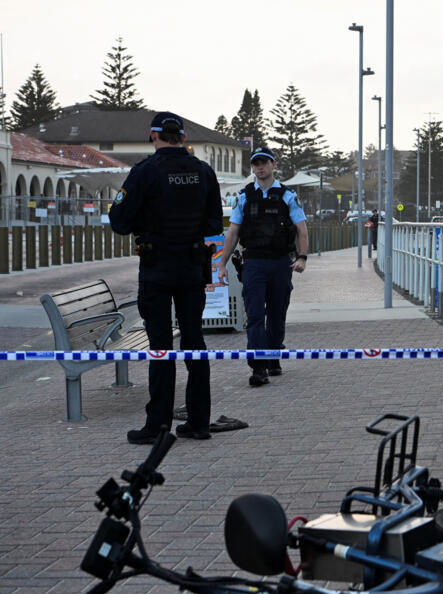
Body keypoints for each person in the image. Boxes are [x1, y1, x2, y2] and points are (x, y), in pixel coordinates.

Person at [109, 111, 223, 444]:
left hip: (157, 268)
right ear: (183, 138)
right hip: (192, 268)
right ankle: (199, 421)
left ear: (153, 136)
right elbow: (214, 224)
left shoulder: (144, 172)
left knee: (160, 348)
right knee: (194, 343)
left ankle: (157, 426)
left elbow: (119, 221)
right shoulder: (204, 172)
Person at [217, 147, 308, 387]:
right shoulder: (244, 197)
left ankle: (274, 355)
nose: (260, 167)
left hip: (280, 263)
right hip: (254, 263)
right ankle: (258, 367)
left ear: (273, 164)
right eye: (256, 164)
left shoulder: (287, 196)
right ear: (252, 167)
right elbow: (233, 232)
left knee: (277, 314)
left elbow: (302, 229)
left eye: (264, 163)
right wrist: (222, 263)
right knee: (255, 315)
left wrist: (302, 257)